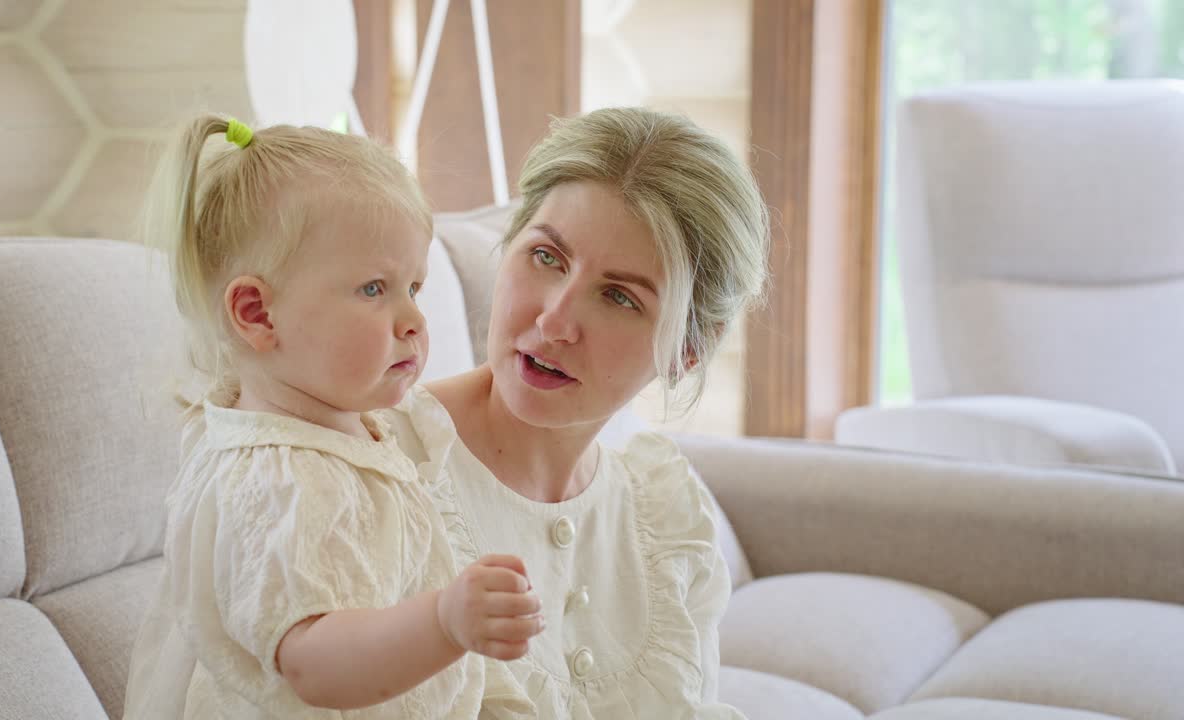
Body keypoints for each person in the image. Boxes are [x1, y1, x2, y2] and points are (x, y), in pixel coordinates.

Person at [122, 116, 539, 719]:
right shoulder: (280, 478)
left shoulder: (334, 426)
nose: (413, 321)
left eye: (414, 288)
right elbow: (315, 665)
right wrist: (445, 620)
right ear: (258, 314)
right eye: (374, 289)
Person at [381, 106, 770, 719]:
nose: (553, 322)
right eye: (546, 257)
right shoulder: (380, 470)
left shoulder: (667, 521)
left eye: (619, 297)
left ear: (687, 351)